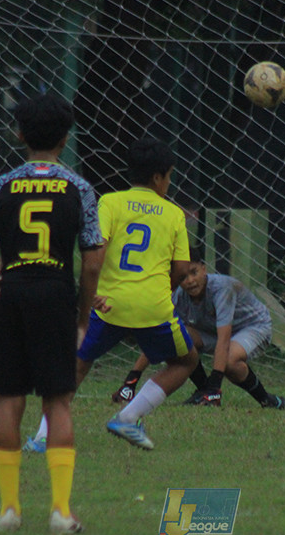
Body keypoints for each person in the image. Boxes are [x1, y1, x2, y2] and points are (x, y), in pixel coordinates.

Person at [0, 93, 105, 535]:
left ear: (19, 135)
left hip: (12, 293)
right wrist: (83, 315)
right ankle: (61, 513)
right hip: (54, 295)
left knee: (10, 398)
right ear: (66, 138)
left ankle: (9, 510)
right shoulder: (80, 188)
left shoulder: (4, 184)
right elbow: (91, 260)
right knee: (58, 399)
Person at [25, 137, 199, 454]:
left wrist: (89, 295)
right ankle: (129, 417)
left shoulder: (110, 202)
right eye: (170, 176)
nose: (169, 182)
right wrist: (160, 290)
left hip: (107, 303)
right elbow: (183, 267)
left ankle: (40, 437)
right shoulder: (174, 214)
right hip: (152, 307)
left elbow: (95, 252)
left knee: (76, 365)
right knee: (185, 362)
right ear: (159, 177)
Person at [111, 248, 285, 410]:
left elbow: (224, 341)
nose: (190, 281)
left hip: (253, 326)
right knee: (175, 338)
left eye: (194, 272)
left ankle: (267, 400)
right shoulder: (178, 296)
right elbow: (159, 336)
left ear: (204, 269)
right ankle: (204, 391)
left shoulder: (222, 289)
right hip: (216, 332)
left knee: (230, 361)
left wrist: (215, 386)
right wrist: (131, 381)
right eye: (183, 277)